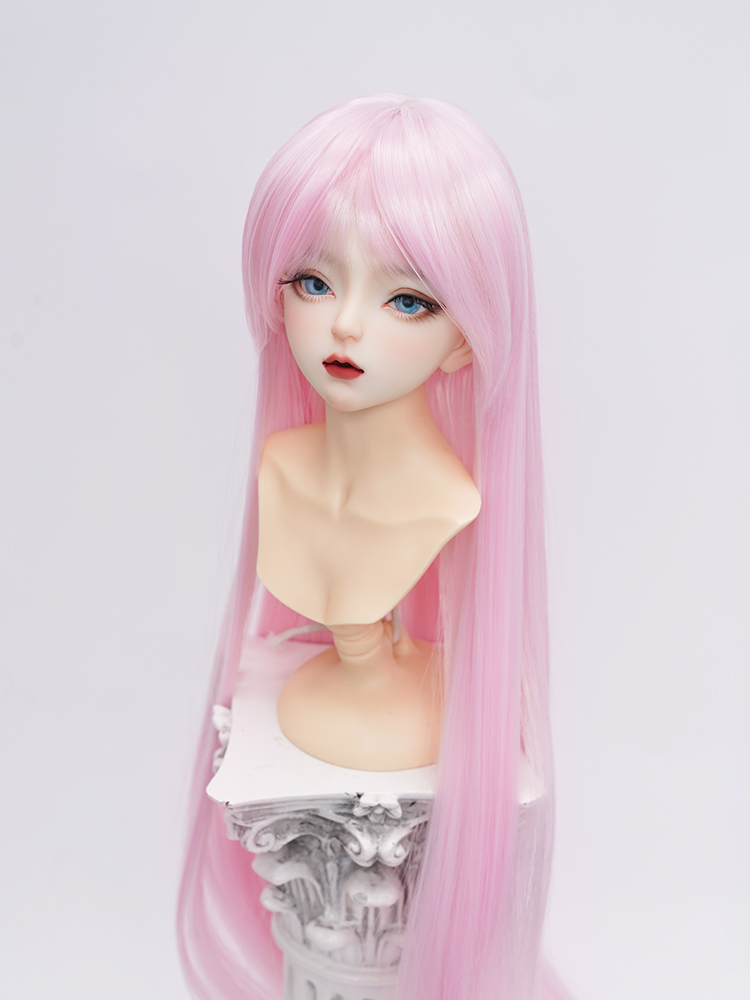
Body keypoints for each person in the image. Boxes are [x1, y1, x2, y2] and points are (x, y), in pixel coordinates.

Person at [178, 94, 567, 1000]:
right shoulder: (281, 469)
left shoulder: (449, 505)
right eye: (314, 283)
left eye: (406, 299)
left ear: (467, 339)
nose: (347, 325)